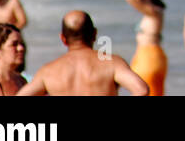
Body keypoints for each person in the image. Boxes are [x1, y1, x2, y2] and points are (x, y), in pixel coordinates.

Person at [18, 11, 149, 96]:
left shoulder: (48, 71)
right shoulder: (111, 63)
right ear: (94, 34)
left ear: (63, 38)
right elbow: (141, 90)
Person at [126, 0, 168, 97]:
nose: (137, 1)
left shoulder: (154, 11)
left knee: (145, 90)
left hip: (149, 56)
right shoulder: (153, 12)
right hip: (146, 55)